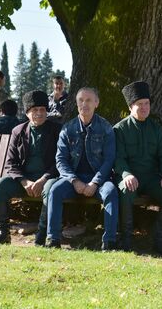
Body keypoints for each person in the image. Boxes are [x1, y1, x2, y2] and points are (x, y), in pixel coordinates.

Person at [38, 87, 118, 250]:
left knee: (111, 192)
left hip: (99, 179)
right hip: (73, 178)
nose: (84, 104)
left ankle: (109, 241)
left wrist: (95, 183)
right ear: (76, 104)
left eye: (89, 100)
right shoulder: (68, 128)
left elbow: (109, 160)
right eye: (81, 100)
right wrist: (74, 181)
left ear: (97, 103)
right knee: (55, 190)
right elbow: (60, 160)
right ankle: (53, 239)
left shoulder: (106, 128)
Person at [114, 81, 162, 256]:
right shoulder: (119, 129)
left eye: (147, 103)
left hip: (151, 178)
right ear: (130, 107)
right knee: (126, 191)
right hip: (128, 176)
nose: (144, 107)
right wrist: (126, 174)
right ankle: (126, 238)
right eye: (139, 104)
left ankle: (159, 237)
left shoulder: (156, 128)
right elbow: (117, 158)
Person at [0, 91, 61, 245]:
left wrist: (43, 179)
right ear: (27, 112)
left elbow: (60, 161)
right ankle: (3, 232)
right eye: (35, 110)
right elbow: (10, 162)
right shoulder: (18, 131)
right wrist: (24, 182)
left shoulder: (56, 130)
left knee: (51, 189)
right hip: (25, 180)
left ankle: (42, 234)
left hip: (48, 179)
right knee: (0, 186)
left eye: (42, 110)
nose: (39, 113)